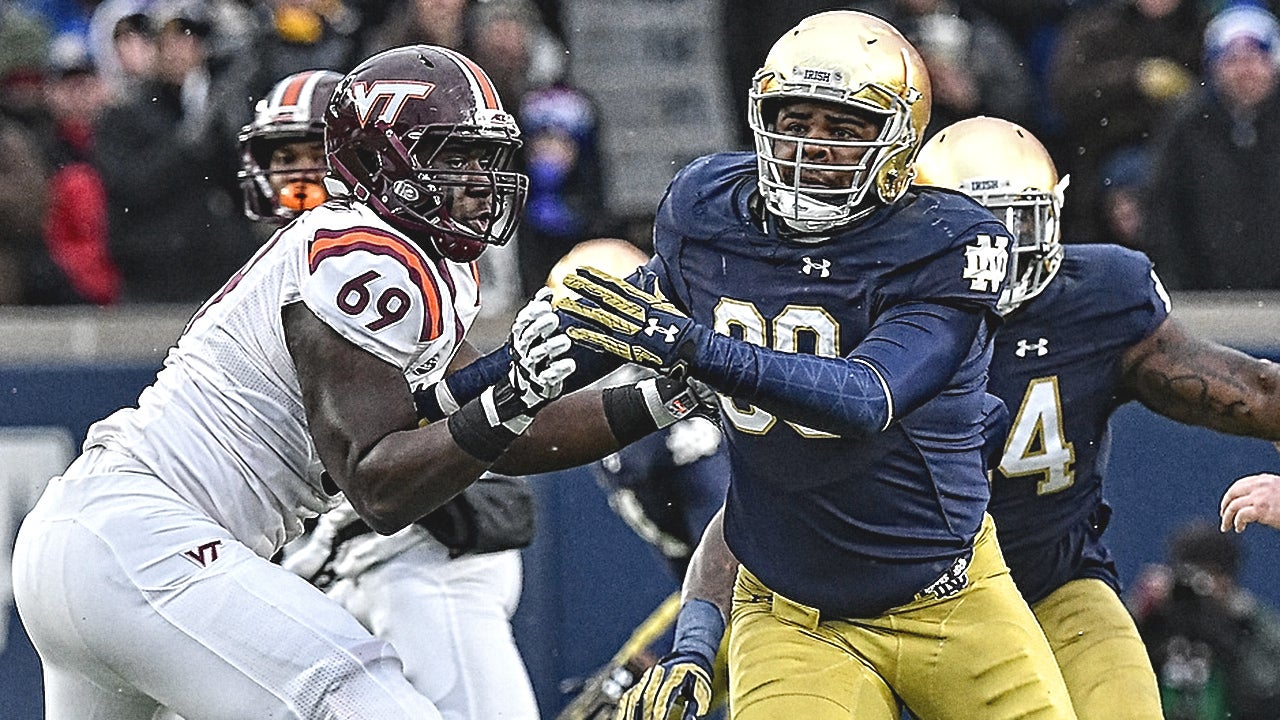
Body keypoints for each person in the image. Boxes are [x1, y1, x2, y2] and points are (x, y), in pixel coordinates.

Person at [10, 43, 702, 720]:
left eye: (484, 157)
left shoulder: (409, 260)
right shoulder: (361, 255)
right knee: (365, 697)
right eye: (451, 156)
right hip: (146, 542)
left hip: (95, 543)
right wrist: (512, 398)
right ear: (375, 161)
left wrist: (669, 396)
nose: (476, 178)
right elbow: (376, 484)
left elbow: (506, 434)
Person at [625, 113, 1280, 720]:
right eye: (974, 226)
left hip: (1054, 587)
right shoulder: (851, 307)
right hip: (871, 606)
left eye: (1013, 226)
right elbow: (761, 503)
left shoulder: (1099, 300)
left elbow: (1252, 390)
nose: (992, 255)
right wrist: (690, 643)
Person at [553, 11, 1080, 720]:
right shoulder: (714, 216)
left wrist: (692, 345)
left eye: (843, 128)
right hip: (794, 613)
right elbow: (747, 514)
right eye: (795, 121)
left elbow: (866, 399)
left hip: (954, 598)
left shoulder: (942, 247)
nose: (811, 147)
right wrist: (449, 401)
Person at [236, 66, 543, 720]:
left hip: (418, 548)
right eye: (281, 158)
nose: (297, 177)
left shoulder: (386, 268)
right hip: (349, 557)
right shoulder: (297, 273)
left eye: (314, 157)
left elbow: (382, 470)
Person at [1142, 3, 1280, 290]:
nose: (1245, 71)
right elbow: (1165, 207)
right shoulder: (1186, 123)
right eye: (1232, 60)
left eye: (1256, 58)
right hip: (1205, 294)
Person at [1130, 520, 1280, 719]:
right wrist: (1142, 616)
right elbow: (1113, 672)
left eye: (1208, 576)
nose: (1197, 585)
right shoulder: (1158, 616)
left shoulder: (1248, 621)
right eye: (1188, 574)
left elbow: (1267, 694)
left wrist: (1227, 634)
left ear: (1228, 581)